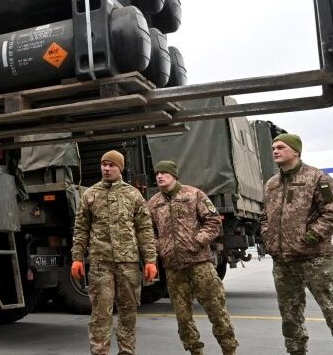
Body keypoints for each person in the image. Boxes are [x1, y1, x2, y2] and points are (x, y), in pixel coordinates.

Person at [262, 133, 333, 355]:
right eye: (273, 147)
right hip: (284, 262)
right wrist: (268, 238)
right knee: (290, 320)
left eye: (281, 147)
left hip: (316, 260)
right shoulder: (271, 184)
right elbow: (264, 216)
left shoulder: (317, 178)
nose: (275, 151)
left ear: (296, 151)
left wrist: (308, 238)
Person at [70, 150, 158, 355]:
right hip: (101, 264)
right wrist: (77, 258)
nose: (107, 168)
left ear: (120, 168)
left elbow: (145, 229)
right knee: (100, 315)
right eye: (104, 164)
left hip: (128, 264)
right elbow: (81, 229)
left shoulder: (133, 194)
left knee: (128, 314)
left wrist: (150, 260)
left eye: (112, 165)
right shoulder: (90, 194)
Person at [147, 160, 238, 355]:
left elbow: (213, 222)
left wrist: (197, 241)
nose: (160, 176)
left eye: (164, 173)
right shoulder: (154, 203)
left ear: (174, 175)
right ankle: (195, 351)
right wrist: (160, 246)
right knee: (183, 317)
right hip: (173, 268)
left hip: (200, 265)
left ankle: (229, 350)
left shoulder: (194, 194)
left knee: (216, 310)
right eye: (157, 174)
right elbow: (148, 232)